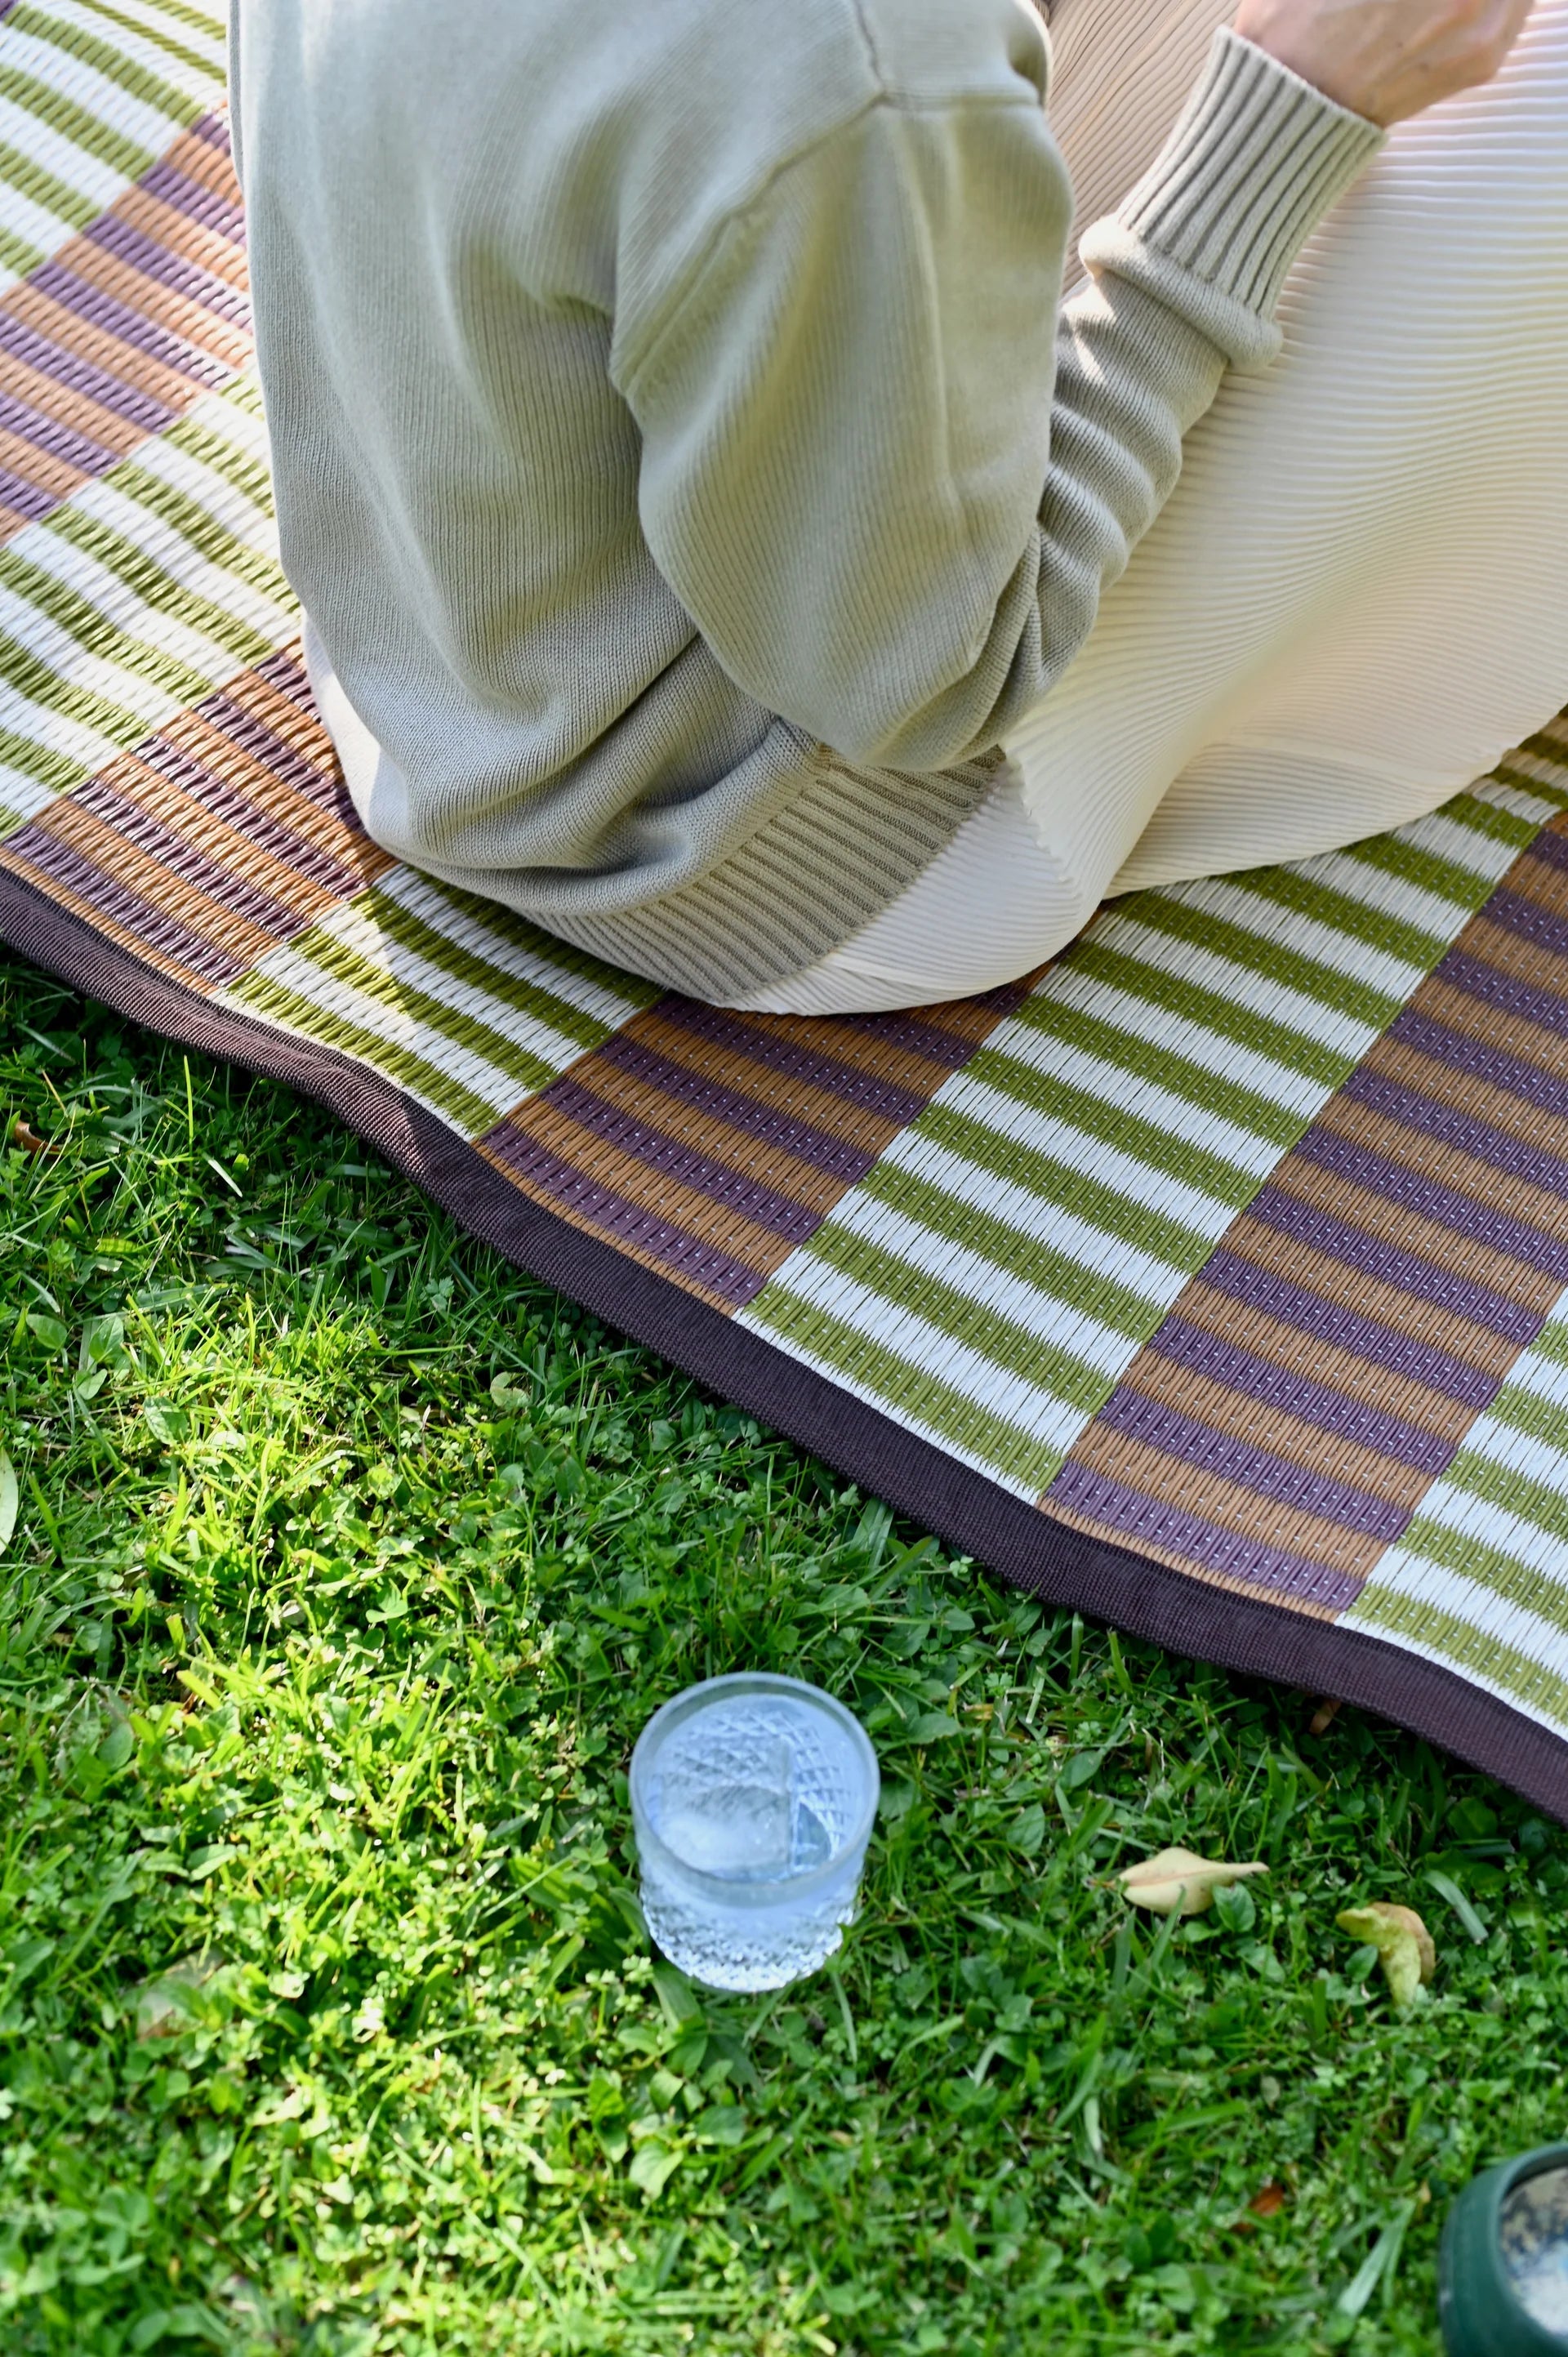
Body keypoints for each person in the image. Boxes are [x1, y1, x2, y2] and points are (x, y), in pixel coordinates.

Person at [229, 0, 1562, 1015]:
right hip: (749, 830)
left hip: (443, 650)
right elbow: (936, 682)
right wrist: (1291, 116)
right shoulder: (841, 64)